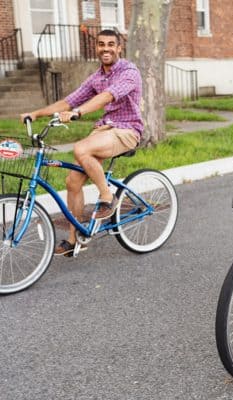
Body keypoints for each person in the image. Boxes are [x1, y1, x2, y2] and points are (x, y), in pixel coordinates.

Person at [21, 29, 143, 257]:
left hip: (127, 130)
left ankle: (108, 197)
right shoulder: (97, 76)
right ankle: (75, 238)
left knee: (80, 148)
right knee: (72, 181)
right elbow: (69, 101)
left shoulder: (129, 71)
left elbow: (107, 96)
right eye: (101, 44)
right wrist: (36, 113)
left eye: (110, 44)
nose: (105, 48)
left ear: (119, 48)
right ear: (96, 48)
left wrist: (78, 113)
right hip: (104, 130)